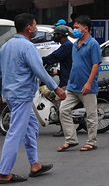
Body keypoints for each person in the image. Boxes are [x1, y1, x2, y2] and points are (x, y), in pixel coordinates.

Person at [0, 13, 66, 182]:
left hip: (13, 95)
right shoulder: (27, 47)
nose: (36, 28)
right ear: (29, 28)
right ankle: (4, 172)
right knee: (15, 133)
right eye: (35, 25)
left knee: (31, 126)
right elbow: (40, 71)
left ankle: (34, 164)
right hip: (21, 95)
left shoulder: (6, 46)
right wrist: (56, 88)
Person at [57, 15, 102, 153]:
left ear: (85, 28)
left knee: (91, 115)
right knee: (63, 110)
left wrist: (89, 83)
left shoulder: (93, 44)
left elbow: (96, 65)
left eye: (77, 27)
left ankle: (91, 141)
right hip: (72, 86)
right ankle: (71, 139)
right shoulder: (75, 45)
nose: (74, 30)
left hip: (87, 87)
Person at [41, 25, 74, 137]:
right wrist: (58, 72)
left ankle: (64, 128)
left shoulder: (67, 45)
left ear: (61, 35)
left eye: (56, 34)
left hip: (68, 80)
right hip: (66, 76)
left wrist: (39, 60)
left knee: (59, 101)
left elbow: (55, 57)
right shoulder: (66, 45)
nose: (54, 36)